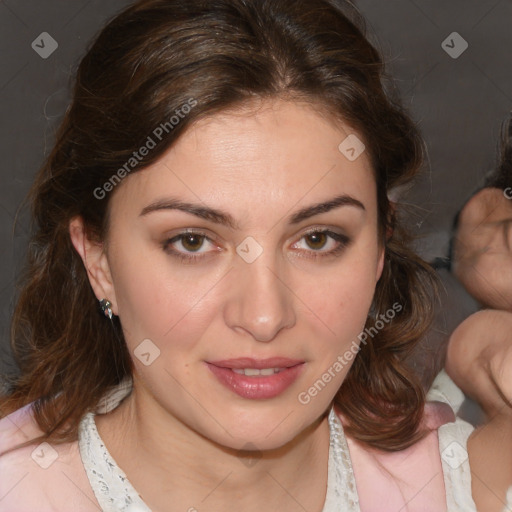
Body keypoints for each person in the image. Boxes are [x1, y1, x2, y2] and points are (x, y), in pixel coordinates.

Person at [0, 0, 489, 510]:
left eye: (318, 239)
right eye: (192, 242)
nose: (263, 317)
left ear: (379, 251)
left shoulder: (464, 485)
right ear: (98, 262)